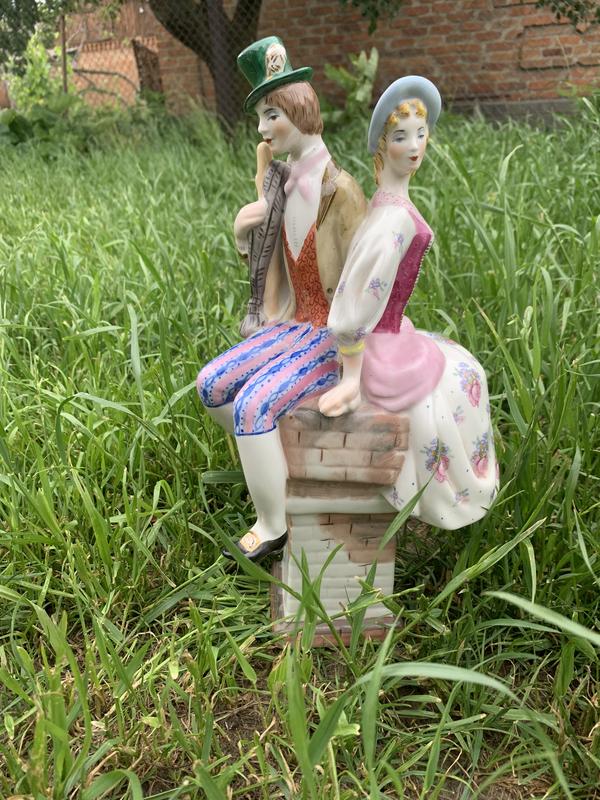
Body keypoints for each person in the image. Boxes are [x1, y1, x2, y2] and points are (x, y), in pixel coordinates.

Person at [196, 37, 367, 559]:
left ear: (299, 109)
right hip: (291, 323)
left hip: (333, 335)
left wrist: (355, 366)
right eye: (260, 118)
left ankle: (273, 523)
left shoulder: (341, 191)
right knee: (211, 384)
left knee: (252, 402)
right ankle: (271, 460)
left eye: (271, 115)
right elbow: (268, 276)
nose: (262, 129)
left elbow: (366, 282)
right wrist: (243, 233)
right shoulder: (278, 184)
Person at [319, 76, 499, 528]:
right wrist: (352, 377)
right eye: (401, 136)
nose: (415, 146)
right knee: (463, 379)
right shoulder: (392, 220)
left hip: (393, 331)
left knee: (465, 366)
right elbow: (356, 302)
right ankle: (454, 493)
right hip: (376, 347)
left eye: (421, 134)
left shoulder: (390, 202)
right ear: (383, 145)